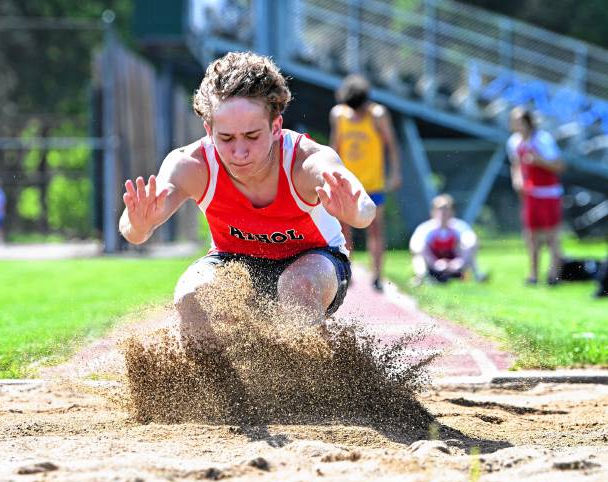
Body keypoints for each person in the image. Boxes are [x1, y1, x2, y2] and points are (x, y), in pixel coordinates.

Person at [119, 52, 376, 347]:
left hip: (315, 265)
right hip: (235, 265)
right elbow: (134, 231)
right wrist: (139, 225)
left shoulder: (305, 161)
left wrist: (356, 213)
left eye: (252, 136)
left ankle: (315, 380)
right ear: (209, 130)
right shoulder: (191, 165)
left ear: (276, 127)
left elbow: (364, 208)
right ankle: (210, 387)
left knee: (296, 287)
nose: (239, 153)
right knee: (191, 296)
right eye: (226, 138)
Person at [329, 74, 401, 291]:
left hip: (373, 184)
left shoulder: (378, 114)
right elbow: (335, 146)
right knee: (344, 230)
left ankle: (377, 275)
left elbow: (392, 145)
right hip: (347, 183)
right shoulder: (338, 114)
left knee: (376, 229)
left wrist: (396, 173)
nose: (357, 113)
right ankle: (346, 272)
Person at [507, 107, 565, 286]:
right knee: (531, 235)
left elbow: (559, 166)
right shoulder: (514, 142)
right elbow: (516, 165)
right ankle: (533, 274)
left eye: (519, 121)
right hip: (530, 194)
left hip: (548, 194)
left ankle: (553, 274)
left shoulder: (542, 139)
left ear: (528, 123)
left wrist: (539, 161)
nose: (515, 125)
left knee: (551, 235)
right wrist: (517, 180)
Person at [409, 194, 487, 285]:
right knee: (419, 253)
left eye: (447, 209)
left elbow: (472, 243)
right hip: (433, 265)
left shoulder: (460, 226)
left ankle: (478, 275)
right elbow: (415, 247)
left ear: (452, 211)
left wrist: (458, 262)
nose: (443, 212)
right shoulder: (425, 228)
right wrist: (435, 263)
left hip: (456, 264)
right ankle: (420, 277)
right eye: (440, 209)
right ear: (433, 211)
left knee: (468, 244)